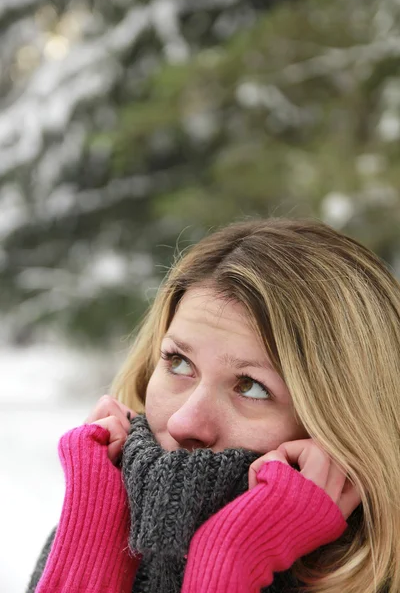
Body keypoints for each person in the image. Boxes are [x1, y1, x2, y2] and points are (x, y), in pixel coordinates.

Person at [27, 217, 400, 593]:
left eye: (251, 386)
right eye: (179, 362)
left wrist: (230, 556)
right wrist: (94, 531)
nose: (183, 423)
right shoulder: (94, 532)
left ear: (343, 419)